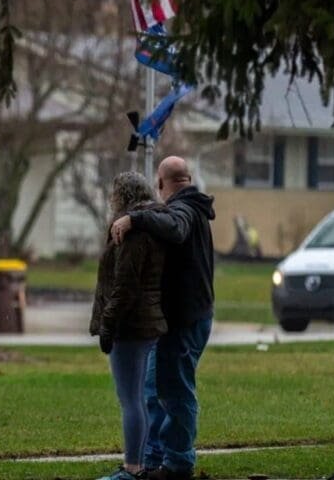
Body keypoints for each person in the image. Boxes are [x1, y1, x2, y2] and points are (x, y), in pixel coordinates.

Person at [111, 157, 216, 480]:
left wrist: (134, 218)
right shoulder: (194, 206)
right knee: (155, 387)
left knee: (175, 391)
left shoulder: (183, 210)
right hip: (189, 317)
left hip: (185, 320)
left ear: (161, 184)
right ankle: (156, 458)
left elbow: (175, 227)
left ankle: (178, 464)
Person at [90, 172, 168, 480]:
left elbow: (125, 285)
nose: (111, 201)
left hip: (132, 326)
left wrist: (108, 325)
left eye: (114, 195)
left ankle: (133, 467)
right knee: (140, 398)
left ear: (122, 196)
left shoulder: (131, 231)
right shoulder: (152, 224)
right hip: (149, 321)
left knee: (131, 400)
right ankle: (143, 462)